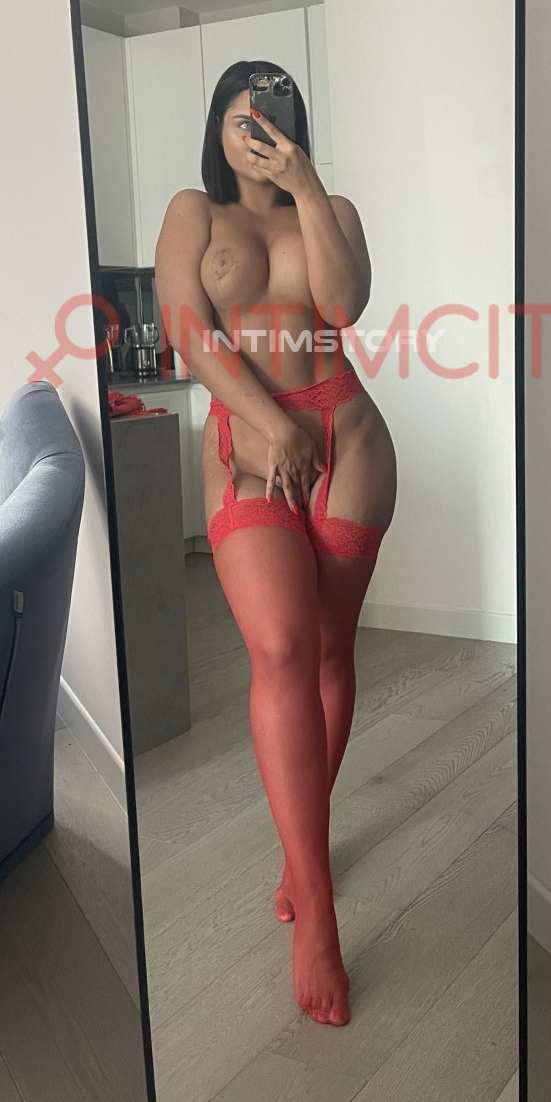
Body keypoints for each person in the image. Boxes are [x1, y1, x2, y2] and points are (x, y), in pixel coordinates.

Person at [154, 60, 397, 1028]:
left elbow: (342, 310)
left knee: (332, 650)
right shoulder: (193, 212)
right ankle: (318, 915)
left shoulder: (330, 208)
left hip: (349, 439)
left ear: (296, 125)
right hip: (250, 448)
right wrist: (271, 425)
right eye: (239, 115)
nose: (256, 130)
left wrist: (305, 185)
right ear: (217, 128)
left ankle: (304, 858)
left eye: (274, 115)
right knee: (283, 648)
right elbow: (187, 332)